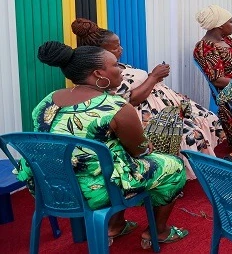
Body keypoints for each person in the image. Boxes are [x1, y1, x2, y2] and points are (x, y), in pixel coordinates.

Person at [19, 41, 187, 248]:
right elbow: (140, 151)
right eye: (116, 65)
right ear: (99, 74)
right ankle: (159, 232)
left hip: (49, 187)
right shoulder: (116, 106)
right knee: (172, 166)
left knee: (109, 157)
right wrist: (146, 144)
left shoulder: (48, 100)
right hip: (94, 191)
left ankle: (116, 225)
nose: (121, 71)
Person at [71, 18, 221, 180]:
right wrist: (154, 77)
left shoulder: (118, 67)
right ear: (102, 53)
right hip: (146, 117)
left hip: (167, 107)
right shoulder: (103, 78)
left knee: (207, 117)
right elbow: (128, 101)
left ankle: (195, 168)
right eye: (115, 47)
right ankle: (174, 177)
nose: (121, 49)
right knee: (191, 132)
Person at [193, 4, 232, 89]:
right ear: (221, 25)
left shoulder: (228, 40)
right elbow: (218, 81)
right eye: (230, 22)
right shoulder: (206, 47)